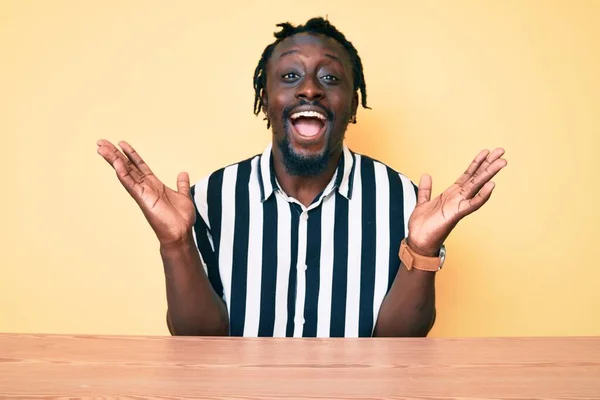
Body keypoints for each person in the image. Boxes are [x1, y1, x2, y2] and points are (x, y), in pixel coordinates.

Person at [97, 17, 507, 338]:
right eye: (290, 76)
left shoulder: (402, 200)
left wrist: (421, 247)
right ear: (265, 98)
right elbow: (197, 336)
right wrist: (176, 242)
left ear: (353, 104)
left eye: (329, 78)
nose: (309, 89)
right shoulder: (211, 198)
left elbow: (400, 342)